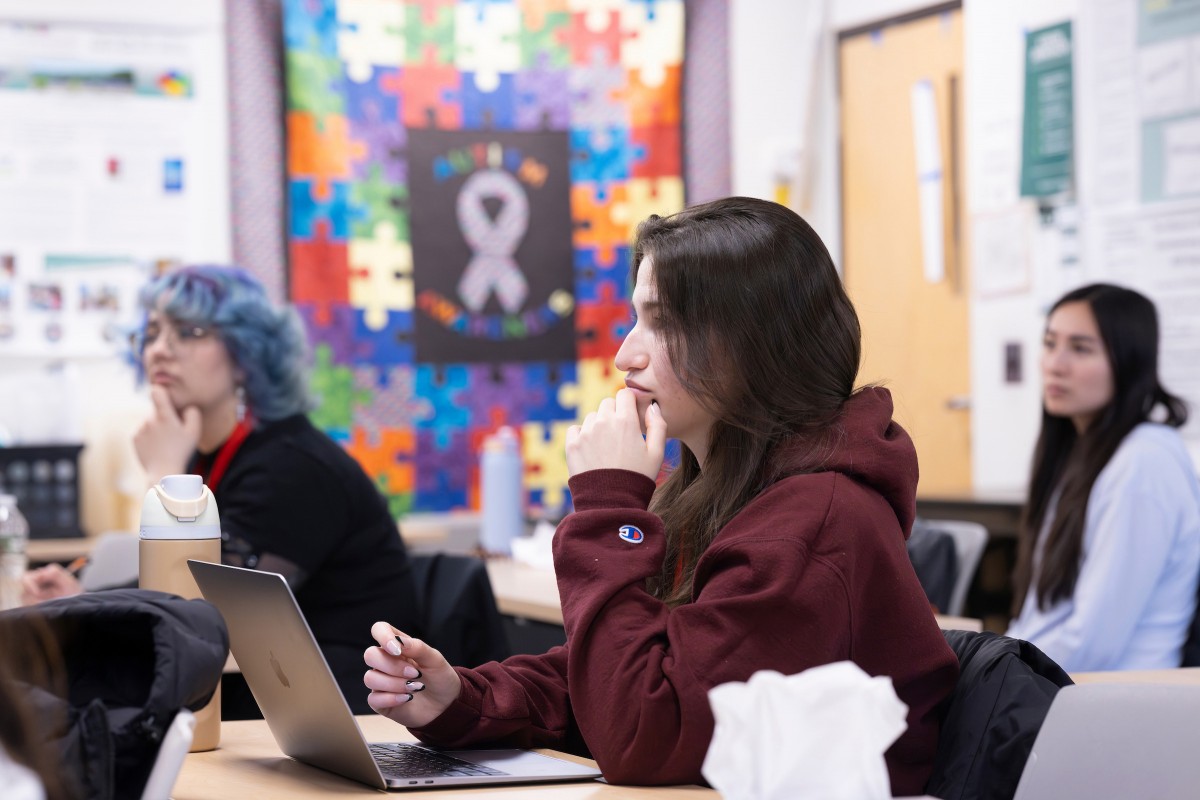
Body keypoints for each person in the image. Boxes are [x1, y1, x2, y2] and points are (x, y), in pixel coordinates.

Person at [362, 198, 959, 793]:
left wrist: (608, 508)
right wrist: (465, 699)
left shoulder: (815, 521)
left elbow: (643, 732)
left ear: (756, 344)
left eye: (664, 323)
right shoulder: (716, 491)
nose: (625, 355)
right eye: (636, 319)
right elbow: (616, 671)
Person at [22, 265, 424, 712]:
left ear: (245, 352)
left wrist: (164, 477)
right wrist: (81, 601)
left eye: (189, 332)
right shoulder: (214, 455)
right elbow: (185, 587)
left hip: (340, 705)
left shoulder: (292, 465)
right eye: (151, 333)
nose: (160, 349)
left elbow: (199, 611)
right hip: (262, 689)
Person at [1007, 283, 1200, 672]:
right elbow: (1041, 622)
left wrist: (991, 670)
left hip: (1111, 694)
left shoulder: (1142, 462)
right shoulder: (1082, 454)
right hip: (1063, 682)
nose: (1055, 364)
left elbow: (1091, 644)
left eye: (1081, 349)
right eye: (1050, 344)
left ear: (1128, 362)